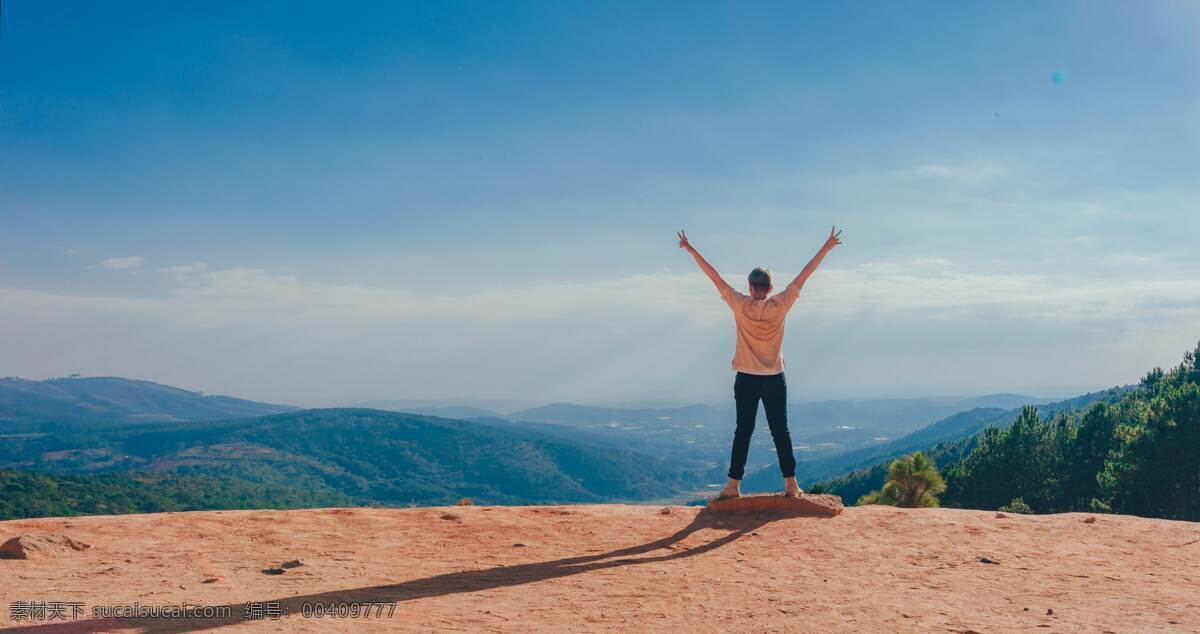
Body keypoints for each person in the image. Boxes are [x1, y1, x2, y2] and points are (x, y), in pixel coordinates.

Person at [678, 226, 842, 499]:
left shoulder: (739, 304)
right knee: (781, 431)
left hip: (746, 377)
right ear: (771, 288)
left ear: (751, 287)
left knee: (743, 431)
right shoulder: (781, 304)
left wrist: (692, 249)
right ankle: (791, 484)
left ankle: (733, 485)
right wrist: (826, 247)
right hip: (775, 376)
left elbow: (714, 277)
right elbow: (805, 275)